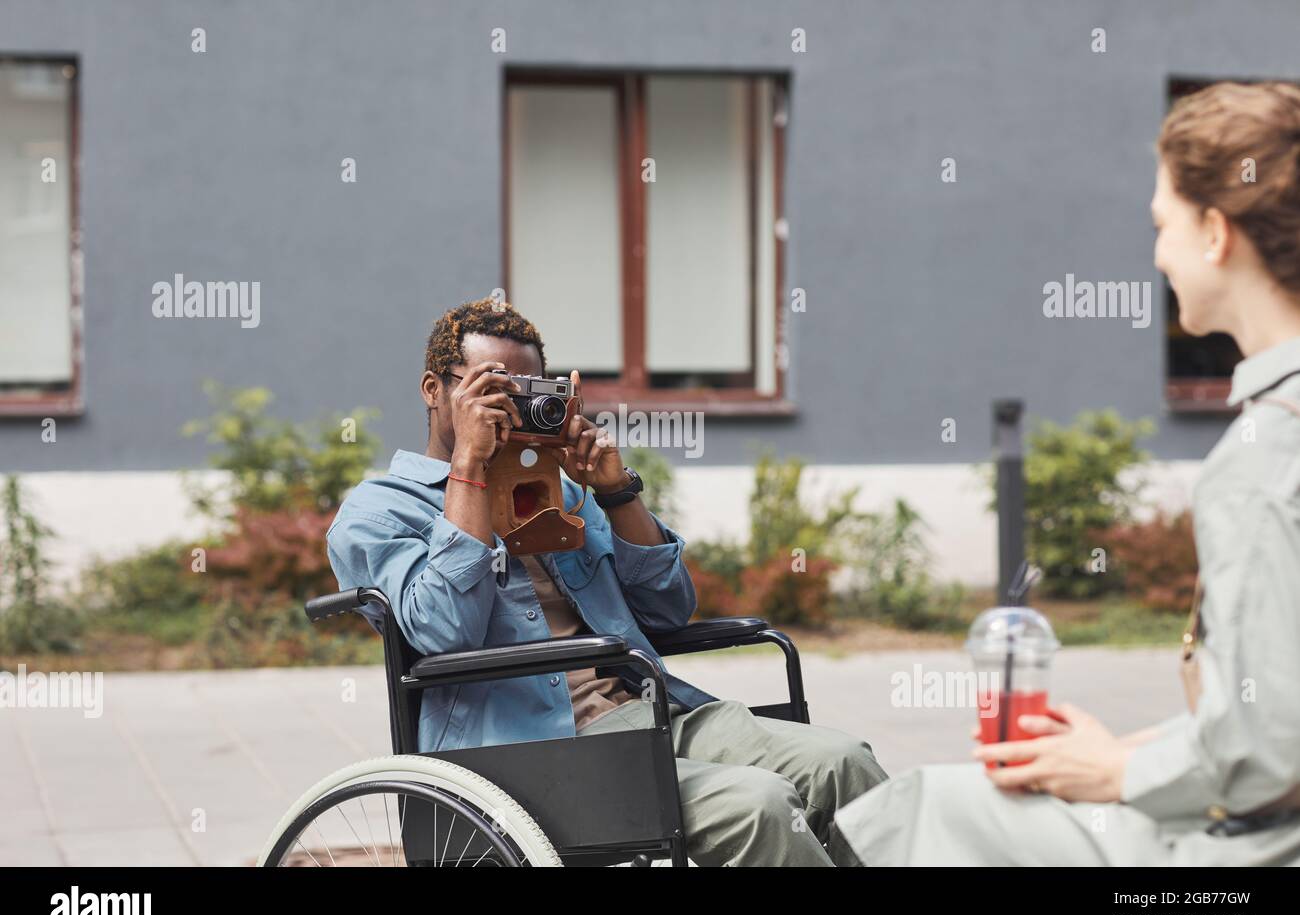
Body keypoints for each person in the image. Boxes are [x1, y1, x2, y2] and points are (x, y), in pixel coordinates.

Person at [833, 81, 1300, 865]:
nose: (1157, 256)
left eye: (1164, 225)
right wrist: (1141, 747)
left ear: (1217, 233)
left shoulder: (1260, 462)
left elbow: (1273, 750)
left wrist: (1123, 769)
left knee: (930, 806)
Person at [326, 296, 887, 866]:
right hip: (532, 754)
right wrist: (469, 467)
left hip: (651, 714)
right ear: (434, 391)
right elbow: (445, 631)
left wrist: (616, 493)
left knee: (843, 762)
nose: (511, 407)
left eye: (527, 391)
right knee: (760, 804)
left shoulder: (563, 491)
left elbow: (668, 612)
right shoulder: (378, 512)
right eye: (492, 388)